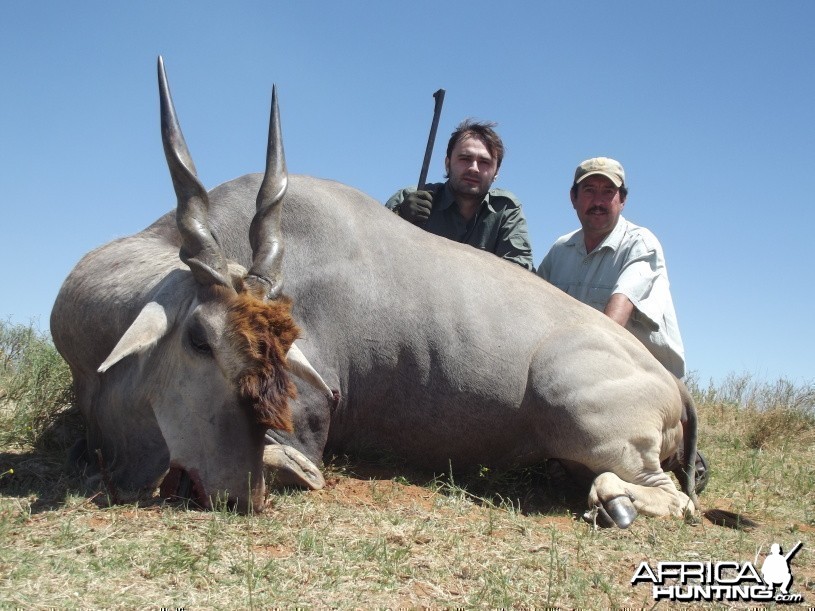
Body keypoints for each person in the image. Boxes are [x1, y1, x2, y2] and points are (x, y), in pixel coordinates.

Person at [538, 156, 708, 492]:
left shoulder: (641, 244)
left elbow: (614, 321)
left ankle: (672, 453)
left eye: (608, 191)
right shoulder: (560, 251)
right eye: (589, 190)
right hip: (585, 379)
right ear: (573, 198)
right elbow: (535, 309)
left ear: (622, 199)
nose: (598, 201)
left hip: (643, 384)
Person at [385, 119, 534, 271]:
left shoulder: (506, 209)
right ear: (447, 164)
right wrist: (398, 216)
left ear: (496, 173)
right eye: (465, 159)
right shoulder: (409, 197)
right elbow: (373, 248)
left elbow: (519, 273)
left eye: (484, 162)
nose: (474, 168)